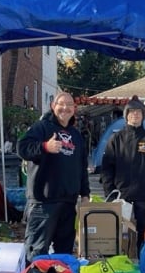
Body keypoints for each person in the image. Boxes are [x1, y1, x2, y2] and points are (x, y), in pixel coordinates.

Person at [17, 92, 90, 262]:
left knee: (64, 253)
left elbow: (81, 167)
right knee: (37, 251)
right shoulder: (41, 127)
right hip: (44, 203)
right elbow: (22, 148)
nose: (65, 108)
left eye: (69, 105)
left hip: (68, 202)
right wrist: (44, 147)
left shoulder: (76, 136)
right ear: (53, 106)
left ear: (74, 109)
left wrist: (85, 194)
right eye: (61, 104)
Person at [101, 96, 145, 254]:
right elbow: (107, 167)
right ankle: (121, 264)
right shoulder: (116, 139)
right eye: (132, 112)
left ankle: (143, 265)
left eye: (138, 112)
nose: (135, 115)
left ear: (143, 115)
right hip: (120, 195)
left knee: (143, 234)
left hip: (143, 197)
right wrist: (110, 193)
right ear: (126, 115)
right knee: (119, 233)